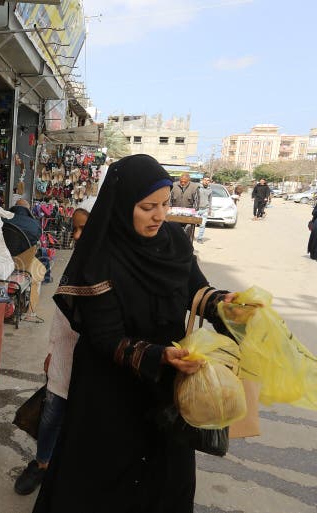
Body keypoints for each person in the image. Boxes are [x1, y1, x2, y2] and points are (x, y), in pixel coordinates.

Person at [32, 154, 236, 513]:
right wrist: (160, 356)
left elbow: (195, 292)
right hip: (109, 392)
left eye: (165, 203)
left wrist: (225, 305)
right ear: (124, 204)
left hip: (166, 387)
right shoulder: (101, 255)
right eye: (147, 207)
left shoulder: (174, 240)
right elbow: (106, 337)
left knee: (163, 477)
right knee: (101, 481)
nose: (160, 215)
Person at [14, 207, 89, 495]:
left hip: (92, 360)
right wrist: (51, 349)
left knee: (82, 420)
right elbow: (60, 314)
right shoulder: (76, 265)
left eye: (84, 228)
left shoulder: (110, 263)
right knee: (51, 415)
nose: (77, 234)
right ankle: (41, 463)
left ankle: (68, 470)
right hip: (64, 355)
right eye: (75, 228)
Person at [194, 177, 213, 243]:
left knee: (202, 225)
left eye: (208, 180)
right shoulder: (198, 187)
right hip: (196, 209)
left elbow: (210, 200)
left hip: (205, 209)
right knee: (193, 224)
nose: (206, 181)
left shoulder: (210, 190)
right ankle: (190, 236)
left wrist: (210, 209)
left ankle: (200, 238)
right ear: (202, 180)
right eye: (205, 180)